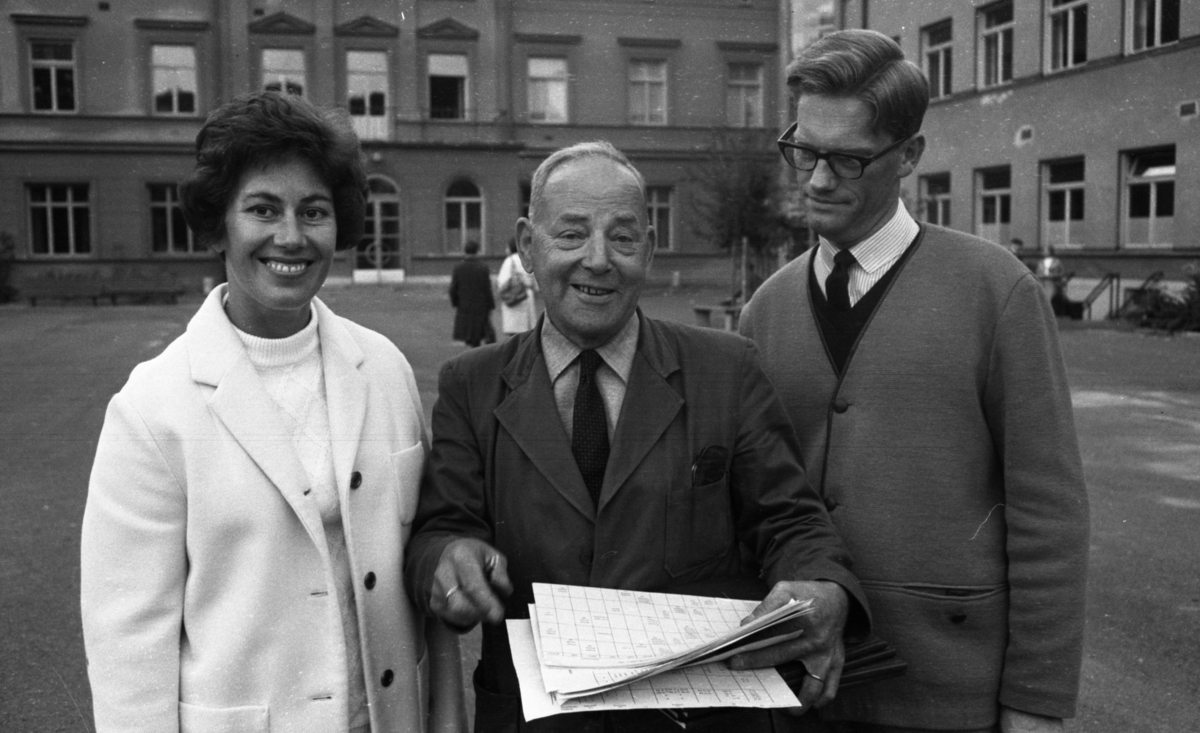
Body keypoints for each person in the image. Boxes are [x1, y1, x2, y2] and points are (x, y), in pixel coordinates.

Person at [406, 140, 871, 733]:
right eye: (571, 235)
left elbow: (791, 520)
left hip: (695, 721)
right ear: (526, 246)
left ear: (648, 250)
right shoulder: (471, 386)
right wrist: (447, 559)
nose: (598, 260)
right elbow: (439, 531)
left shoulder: (727, 370)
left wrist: (823, 585)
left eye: (623, 238)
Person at [80, 91, 464, 733]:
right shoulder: (152, 408)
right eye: (263, 209)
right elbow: (128, 643)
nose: (291, 236)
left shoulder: (385, 368)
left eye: (313, 211)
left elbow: (421, 565)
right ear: (218, 225)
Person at [739, 30, 1089, 733]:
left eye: (847, 159)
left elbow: (1048, 513)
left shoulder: (996, 291)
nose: (817, 180)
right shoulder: (765, 310)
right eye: (804, 151)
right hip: (799, 691)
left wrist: (1036, 699)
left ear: (908, 156)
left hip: (949, 697)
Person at [450, 239, 496, 347]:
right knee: (480, 331)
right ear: (477, 251)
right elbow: (487, 288)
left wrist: (456, 302)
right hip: (481, 306)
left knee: (469, 333)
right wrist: (490, 305)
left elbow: (453, 289)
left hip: (465, 305)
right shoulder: (483, 268)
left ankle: (474, 348)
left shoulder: (458, 268)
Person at [497, 237, 538, 336]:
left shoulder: (509, 261)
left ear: (511, 248)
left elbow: (502, 281)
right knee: (527, 329)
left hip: (515, 297)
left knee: (515, 330)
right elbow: (536, 280)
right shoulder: (528, 260)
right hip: (528, 295)